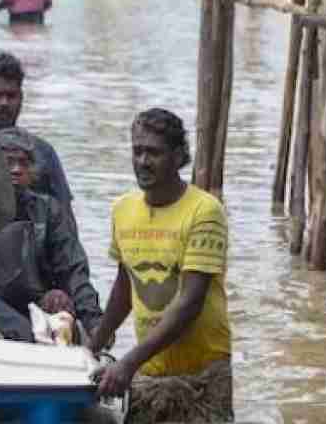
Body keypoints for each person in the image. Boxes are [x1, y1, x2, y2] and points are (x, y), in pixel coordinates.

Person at [90, 109, 232, 423]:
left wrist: (127, 363)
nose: (142, 161)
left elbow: (189, 302)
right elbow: (125, 287)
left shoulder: (204, 211)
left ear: (178, 156)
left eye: (153, 152)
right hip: (149, 370)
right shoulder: (123, 209)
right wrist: (93, 345)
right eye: (137, 151)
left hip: (202, 375)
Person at [0, 128, 102, 339]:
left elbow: (73, 269)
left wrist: (94, 320)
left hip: (36, 302)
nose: (16, 170)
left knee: (60, 305)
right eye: (8, 162)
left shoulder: (48, 210)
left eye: (23, 163)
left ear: (32, 171)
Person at [0, 52, 76, 228]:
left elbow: (64, 218)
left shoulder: (42, 153)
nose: (4, 103)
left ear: (21, 97)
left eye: (11, 96)